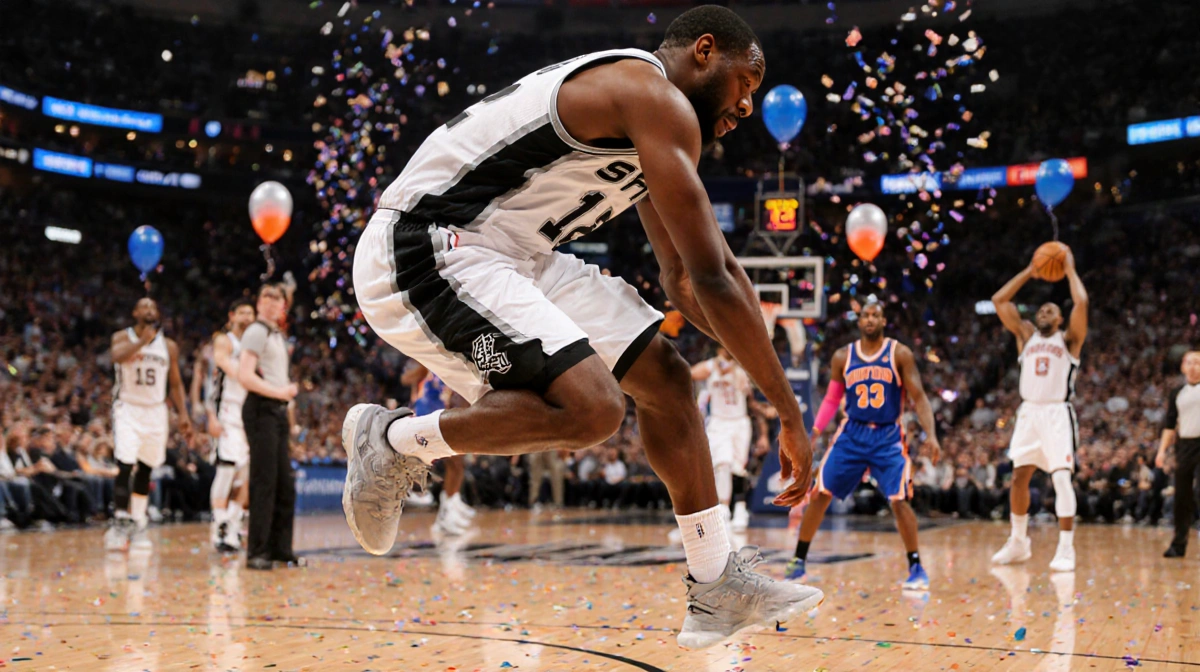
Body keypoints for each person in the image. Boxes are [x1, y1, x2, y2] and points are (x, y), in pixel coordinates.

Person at [344, 6, 822, 648]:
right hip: (429, 245)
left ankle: (715, 585)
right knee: (592, 408)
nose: (745, 107)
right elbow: (716, 277)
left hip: (514, 253)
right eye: (745, 85)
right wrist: (788, 410)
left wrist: (756, 363)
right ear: (705, 52)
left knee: (666, 377)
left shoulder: (654, 122)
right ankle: (395, 439)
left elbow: (680, 279)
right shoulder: (652, 95)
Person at [784, 300, 940, 590]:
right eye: (865, 315)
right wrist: (816, 430)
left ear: (883, 321)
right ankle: (798, 561)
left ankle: (916, 565)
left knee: (899, 499)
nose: (870, 319)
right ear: (859, 321)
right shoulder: (843, 356)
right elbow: (832, 399)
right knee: (819, 493)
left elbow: (918, 397)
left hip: (888, 435)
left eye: (876, 315)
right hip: (851, 434)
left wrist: (930, 434)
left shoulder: (899, 353)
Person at [990, 248, 1088, 572]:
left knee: (1061, 479)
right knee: (1019, 477)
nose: (1045, 310)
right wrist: (1029, 272)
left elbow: (1082, 303)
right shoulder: (1026, 335)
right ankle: (1019, 542)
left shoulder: (1070, 340)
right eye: (1042, 308)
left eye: (1052, 309)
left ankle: (1066, 549)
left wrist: (1069, 269)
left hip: (1057, 414)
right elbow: (999, 301)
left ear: (1060, 319)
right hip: (1029, 412)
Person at [106, 298, 191, 551]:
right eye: (143, 306)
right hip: (128, 407)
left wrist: (183, 413)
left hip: (156, 410)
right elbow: (117, 356)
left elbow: (175, 383)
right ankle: (121, 520)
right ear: (134, 312)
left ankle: (139, 521)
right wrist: (143, 341)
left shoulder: (169, 346)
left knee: (146, 467)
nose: (149, 310)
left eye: (153, 307)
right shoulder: (123, 336)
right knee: (125, 462)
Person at [238, 283, 300, 570]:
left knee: (284, 484)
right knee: (264, 482)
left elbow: (280, 382)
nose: (272, 302)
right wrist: (280, 393)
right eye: (266, 296)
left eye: (277, 298)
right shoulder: (256, 331)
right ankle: (257, 551)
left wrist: (289, 416)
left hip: (277, 412)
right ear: (259, 302)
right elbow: (245, 375)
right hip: (261, 409)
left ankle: (280, 549)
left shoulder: (277, 335)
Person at [692, 345, 773, 532]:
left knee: (738, 468)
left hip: (740, 423)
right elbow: (685, 373)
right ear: (719, 346)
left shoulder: (743, 369)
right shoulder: (709, 367)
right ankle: (723, 508)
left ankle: (740, 508)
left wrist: (763, 434)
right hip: (719, 423)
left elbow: (753, 404)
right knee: (723, 464)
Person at [401, 361, 475, 535]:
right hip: (427, 415)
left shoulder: (453, 367)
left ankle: (449, 508)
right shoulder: (430, 361)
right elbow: (407, 378)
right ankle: (444, 508)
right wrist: (418, 371)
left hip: (441, 415)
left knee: (456, 463)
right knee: (453, 462)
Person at [208, 298, 256, 553]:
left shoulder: (256, 345)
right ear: (232, 316)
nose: (247, 317)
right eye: (242, 313)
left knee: (245, 477)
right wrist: (210, 416)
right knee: (226, 471)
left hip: (249, 414)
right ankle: (219, 526)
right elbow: (221, 366)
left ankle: (233, 525)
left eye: (251, 313)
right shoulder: (224, 340)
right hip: (227, 410)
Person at [1157, 350, 1200, 557]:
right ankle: (1178, 543)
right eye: (1189, 362)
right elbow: (1170, 425)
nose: (1193, 367)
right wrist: (1161, 451)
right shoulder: (1177, 393)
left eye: (1197, 362)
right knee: (1181, 497)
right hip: (1185, 446)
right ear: (1183, 367)